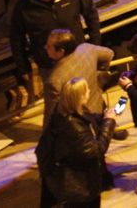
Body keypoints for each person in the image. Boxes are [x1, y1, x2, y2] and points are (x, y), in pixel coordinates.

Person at [10, 0, 102, 104]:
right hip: (50, 66)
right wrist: (23, 68)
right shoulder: (24, 6)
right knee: (58, 104)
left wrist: (94, 46)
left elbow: (91, 14)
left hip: (78, 60)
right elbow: (16, 38)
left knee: (88, 98)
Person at [35, 77, 114, 208]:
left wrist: (103, 117)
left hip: (76, 180)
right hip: (81, 187)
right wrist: (109, 123)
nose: (89, 91)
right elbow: (96, 149)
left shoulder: (64, 109)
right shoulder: (73, 127)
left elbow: (87, 118)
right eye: (87, 90)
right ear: (80, 96)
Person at [42, 28, 115, 122]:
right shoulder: (87, 48)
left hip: (82, 121)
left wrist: (45, 135)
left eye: (49, 46)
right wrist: (98, 74)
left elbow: (50, 114)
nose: (45, 48)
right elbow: (109, 54)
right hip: (99, 106)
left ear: (61, 51)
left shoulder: (54, 81)